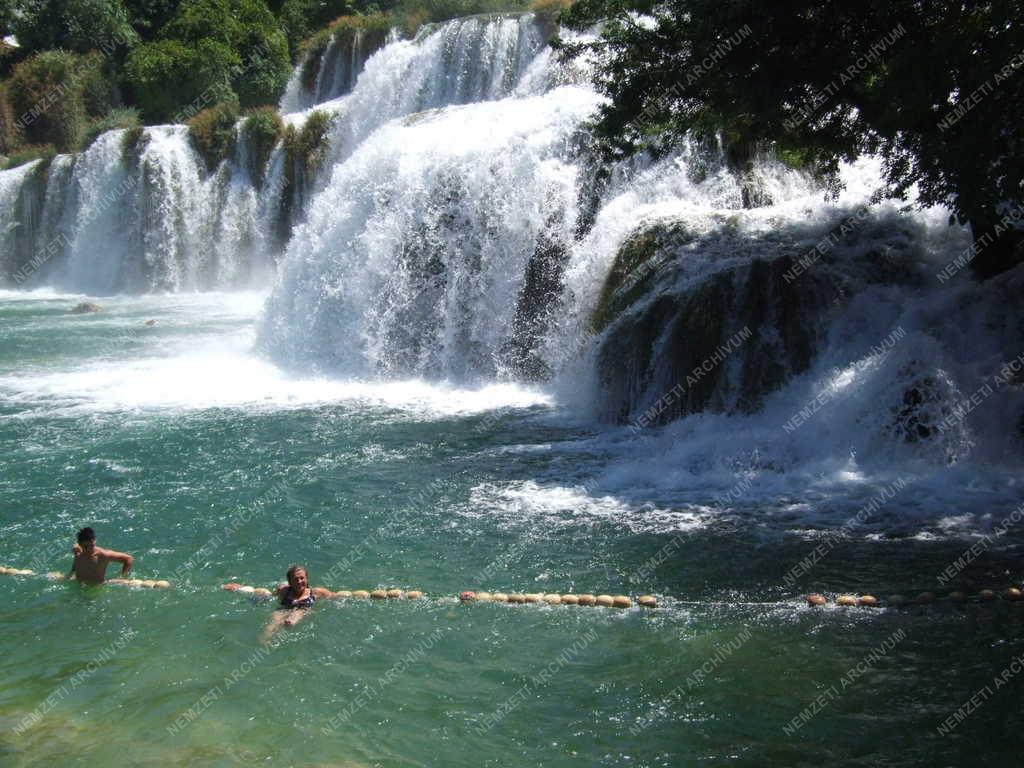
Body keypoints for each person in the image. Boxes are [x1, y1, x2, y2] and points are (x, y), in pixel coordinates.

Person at [261, 565, 334, 644]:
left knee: (290, 622)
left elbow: (335, 596)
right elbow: (270, 595)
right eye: (295, 579)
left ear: (307, 579)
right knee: (271, 625)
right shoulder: (284, 590)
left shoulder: (317, 592)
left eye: (302, 578)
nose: (299, 581)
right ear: (290, 582)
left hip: (303, 609)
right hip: (284, 608)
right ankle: (263, 644)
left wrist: (347, 595)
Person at [68, 527, 135, 585]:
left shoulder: (103, 555)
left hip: (97, 587)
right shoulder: (77, 550)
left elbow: (129, 559)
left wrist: (122, 577)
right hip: (79, 584)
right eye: (85, 547)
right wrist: (72, 572)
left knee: (139, 584)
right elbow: (77, 560)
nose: (89, 549)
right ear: (80, 544)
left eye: (91, 546)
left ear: (95, 541)